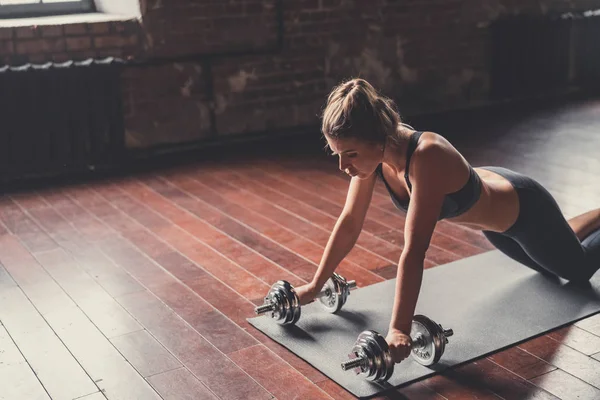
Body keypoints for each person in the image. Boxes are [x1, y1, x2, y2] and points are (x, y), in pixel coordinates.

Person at [294, 77, 600, 365]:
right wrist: (314, 285)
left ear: (378, 139)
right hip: (497, 225)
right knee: (551, 261)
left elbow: (414, 250)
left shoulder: (427, 157)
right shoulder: (376, 157)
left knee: (576, 270)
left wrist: (399, 328)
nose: (342, 165)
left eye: (349, 154)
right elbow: (350, 222)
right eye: (336, 154)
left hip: (525, 211)